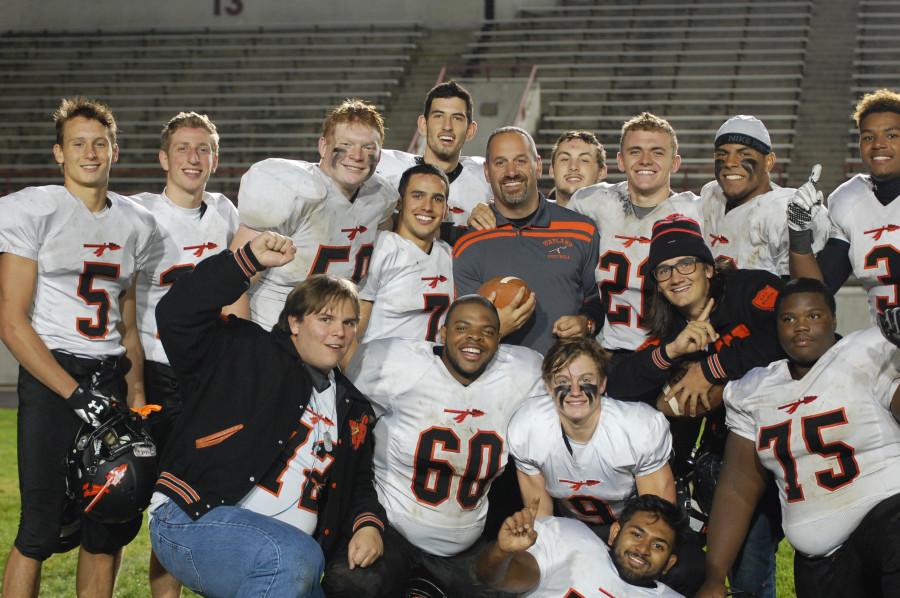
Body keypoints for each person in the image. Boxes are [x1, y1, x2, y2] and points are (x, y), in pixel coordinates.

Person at [150, 233, 386, 598]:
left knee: (295, 560)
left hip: (290, 559)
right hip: (196, 517)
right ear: (294, 323)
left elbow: (358, 483)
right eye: (326, 318)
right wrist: (242, 262)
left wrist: (367, 524)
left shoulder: (353, 407)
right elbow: (176, 314)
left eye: (350, 322)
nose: (340, 332)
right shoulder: (246, 350)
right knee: (290, 555)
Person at [0, 97, 157, 597]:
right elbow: (10, 320)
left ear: (114, 149)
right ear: (58, 154)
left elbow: (126, 320)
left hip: (108, 374)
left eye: (99, 143)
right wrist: (72, 394)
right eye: (77, 144)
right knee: (39, 527)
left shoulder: (135, 221)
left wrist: (134, 394)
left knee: (107, 524)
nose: (89, 153)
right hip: (54, 377)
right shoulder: (34, 209)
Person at [607, 215, 786, 597]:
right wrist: (672, 352)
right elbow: (620, 383)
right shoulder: (671, 325)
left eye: (686, 263)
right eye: (664, 270)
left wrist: (713, 370)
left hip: (789, 435)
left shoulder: (749, 288)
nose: (676, 276)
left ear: (708, 267)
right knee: (730, 560)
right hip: (729, 453)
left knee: (761, 565)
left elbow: (794, 332)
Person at [324, 294, 545, 597]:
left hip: (464, 548)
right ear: (442, 333)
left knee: (528, 580)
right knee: (350, 583)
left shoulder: (524, 372)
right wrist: (364, 521)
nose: (474, 339)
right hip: (392, 532)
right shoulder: (399, 363)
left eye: (487, 332)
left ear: (499, 339)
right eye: (462, 328)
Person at [697, 278, 900, 598]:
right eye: (788, 318)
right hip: (821, 560)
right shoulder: (755, 389)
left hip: (886, 526)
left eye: (813, 316)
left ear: (834, 319)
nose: (800, 326)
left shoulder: (865, 353)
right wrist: (714, 575)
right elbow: (737, 486)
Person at [130, 111, 239, 598]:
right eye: (182, 149)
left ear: (214, 159)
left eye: (203, 150)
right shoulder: (138, 214)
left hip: (211, 376)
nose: (193, 159)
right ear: (162, 158)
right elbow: (123, 300)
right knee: (142, 502)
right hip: (158, 373)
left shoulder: (225, 212)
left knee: (200, 501)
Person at [228, 98, 397, 329]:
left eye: (368, 147)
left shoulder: (381, 197)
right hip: (272, 332)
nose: (357, 156)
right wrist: (240, 344)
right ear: (323, 146)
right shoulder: (293, 191)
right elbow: (233, 282)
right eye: (346, 144)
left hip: (331, 337)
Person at [561, 112, 705, 353]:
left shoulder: (696, 211)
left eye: (657, 152)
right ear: (620, 160)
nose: (645, 160)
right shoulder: (593, 201)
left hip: (672, 350)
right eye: (635, 151)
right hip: (606, 349)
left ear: (675, 163)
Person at [452, 126, 602, 356]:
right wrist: (495, 329)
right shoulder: (469, 244)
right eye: (500, 163)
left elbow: (598, 299)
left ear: (538, 166)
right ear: (486, 172)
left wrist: (586, 322)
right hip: (497, 382)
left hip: (565, 380)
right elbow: (461, 332)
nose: (511, 172)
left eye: (520, 161)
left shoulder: (581, 230)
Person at [509, 336, 675, 525]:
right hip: (570, 526)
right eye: (563, 381)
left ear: (602, 383)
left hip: (630, 526)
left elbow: (656, 523)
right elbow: (541, 520)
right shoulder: (529, 427)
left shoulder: (638, 429)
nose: (575, 391)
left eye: (586, 379)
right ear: (548, 386)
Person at [789, 88, 900, 325]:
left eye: (891, 135)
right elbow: (814, 296)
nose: (879, 144)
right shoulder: (848, 199)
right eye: (868, 137)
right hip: (880, 340)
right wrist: (799, 234)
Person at [475, 494, 686, 597]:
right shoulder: (571, 539)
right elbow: (495, 578)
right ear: (615, 533)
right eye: (637, 534)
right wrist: (502, 553)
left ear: (670, 562)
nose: (643, 548)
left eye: (658, 546)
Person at [700, 115, 829, 274]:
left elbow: (808, 291)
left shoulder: (784, 209)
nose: (729, 162)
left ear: (769, 161)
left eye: (743, 154)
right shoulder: (710, 194)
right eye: (722, 154)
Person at [354, 163, 453, 347]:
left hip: (434, 371)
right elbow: (352, 331)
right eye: (417, 196)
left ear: (446, 209)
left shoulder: (450, 254)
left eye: (437, 199)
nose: (427, 207)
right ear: (399, 202)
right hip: (380, 371)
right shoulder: (380, 248)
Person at [377, 80, 492, 227]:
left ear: (470, 130)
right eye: (438, 116)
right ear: (423, 125)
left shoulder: (487, 177)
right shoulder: (384, 166)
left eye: (457, 118)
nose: (447, 126)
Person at [547, 130, 607, 207]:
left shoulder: (618, 217)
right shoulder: (535, 217)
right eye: (564, 159)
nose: (573, 167)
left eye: (584, 160)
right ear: (552, 170)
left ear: (601, 172)